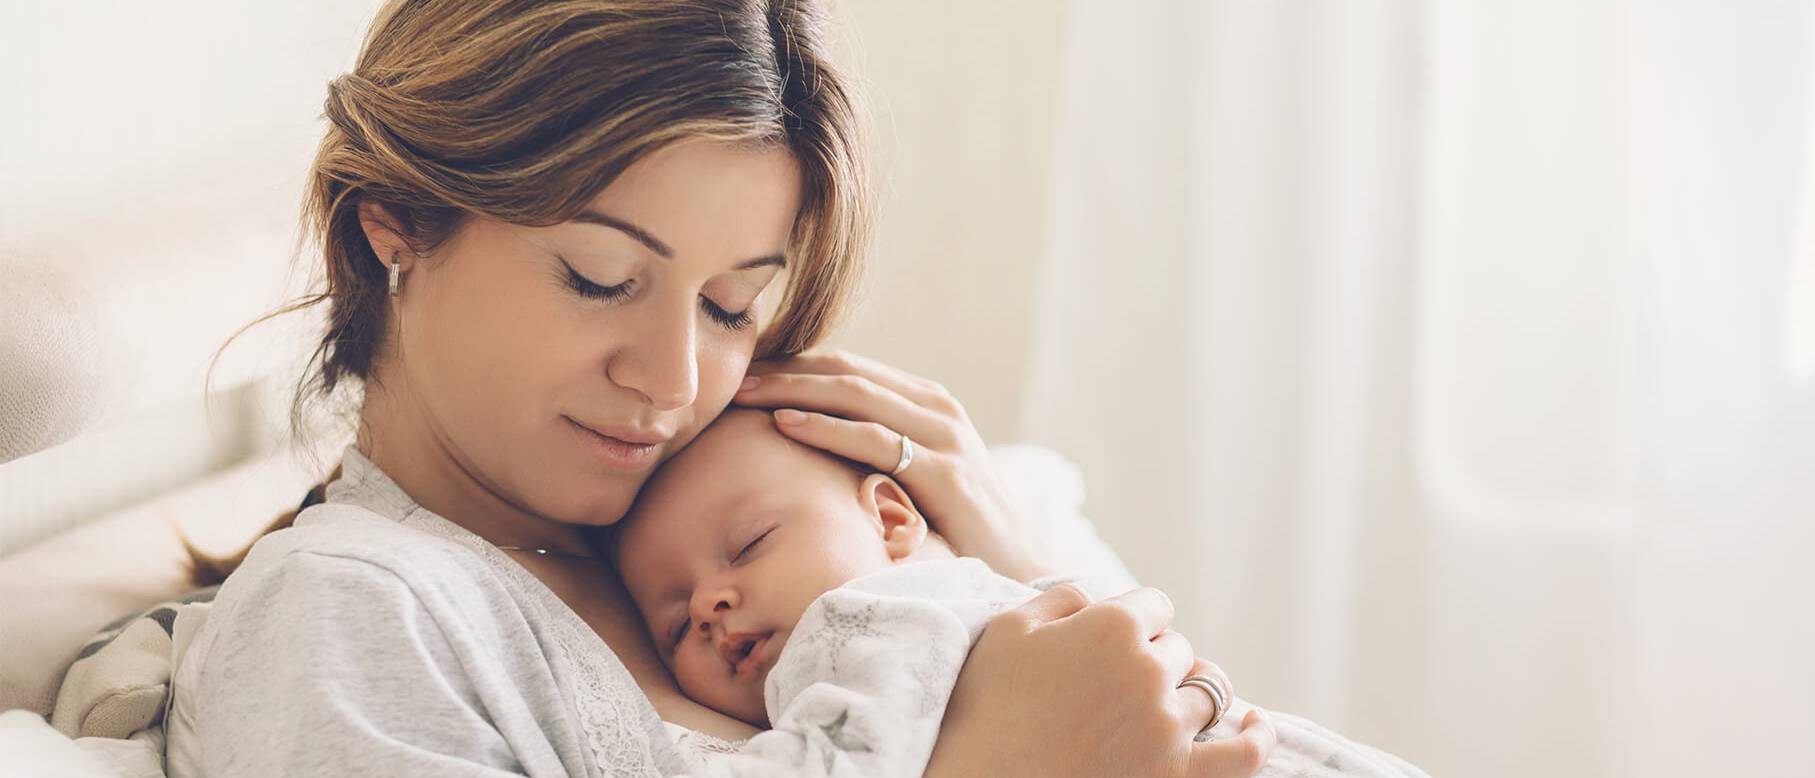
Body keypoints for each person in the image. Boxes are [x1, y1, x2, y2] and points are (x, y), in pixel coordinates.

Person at [166, 1, 1282, 776]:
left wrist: (1012, 571)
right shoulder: (351, 609)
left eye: (732, 305)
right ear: (396, 224)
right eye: (602, 278)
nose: (674, 380)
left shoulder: (739, 516)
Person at [612, 409, 1429, 777]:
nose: (712, 604)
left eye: (750, 545)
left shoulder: (865, 623)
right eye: (674, 621)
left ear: (893, 521)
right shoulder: (985, 596)